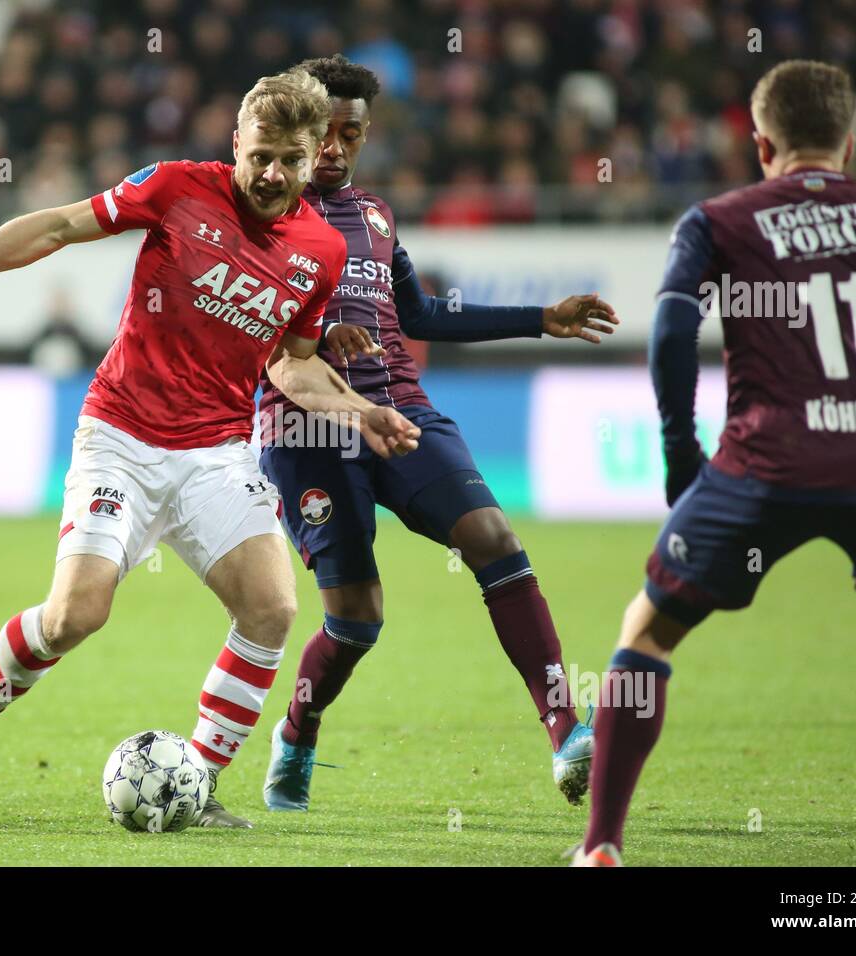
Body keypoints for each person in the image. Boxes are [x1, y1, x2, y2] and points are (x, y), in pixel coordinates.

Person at [0, 69, 421, 829]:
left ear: (313, 159)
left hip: (217, 452)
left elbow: (291, 362)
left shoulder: (321, 250)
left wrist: (362, 410)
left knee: (271, 608)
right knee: (76, 615)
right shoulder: (175, 189)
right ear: (237, 143)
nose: (273, 174)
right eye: (260, 155)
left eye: (291, 161)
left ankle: (194, 785)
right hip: (122, 436)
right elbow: (59, 226)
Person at [574, 60, 856, 866]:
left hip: (761, 465)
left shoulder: (719, 219)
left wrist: (682, 455)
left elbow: (674, 331)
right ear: (849, 145)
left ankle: (602, 846)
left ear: (760, 143)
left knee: (647, 634)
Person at [258, 56, 619, 812]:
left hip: (403, 408)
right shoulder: (259, 211)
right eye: (322, 132)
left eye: (349, 134)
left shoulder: (378, 216)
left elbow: (418, 316)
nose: (333, 149)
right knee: (356, 618)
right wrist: (323, 329)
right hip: (308, 427)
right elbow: (254, 324)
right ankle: (297, 727)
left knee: (492, 535)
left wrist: (536, 321)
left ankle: (565, 725)